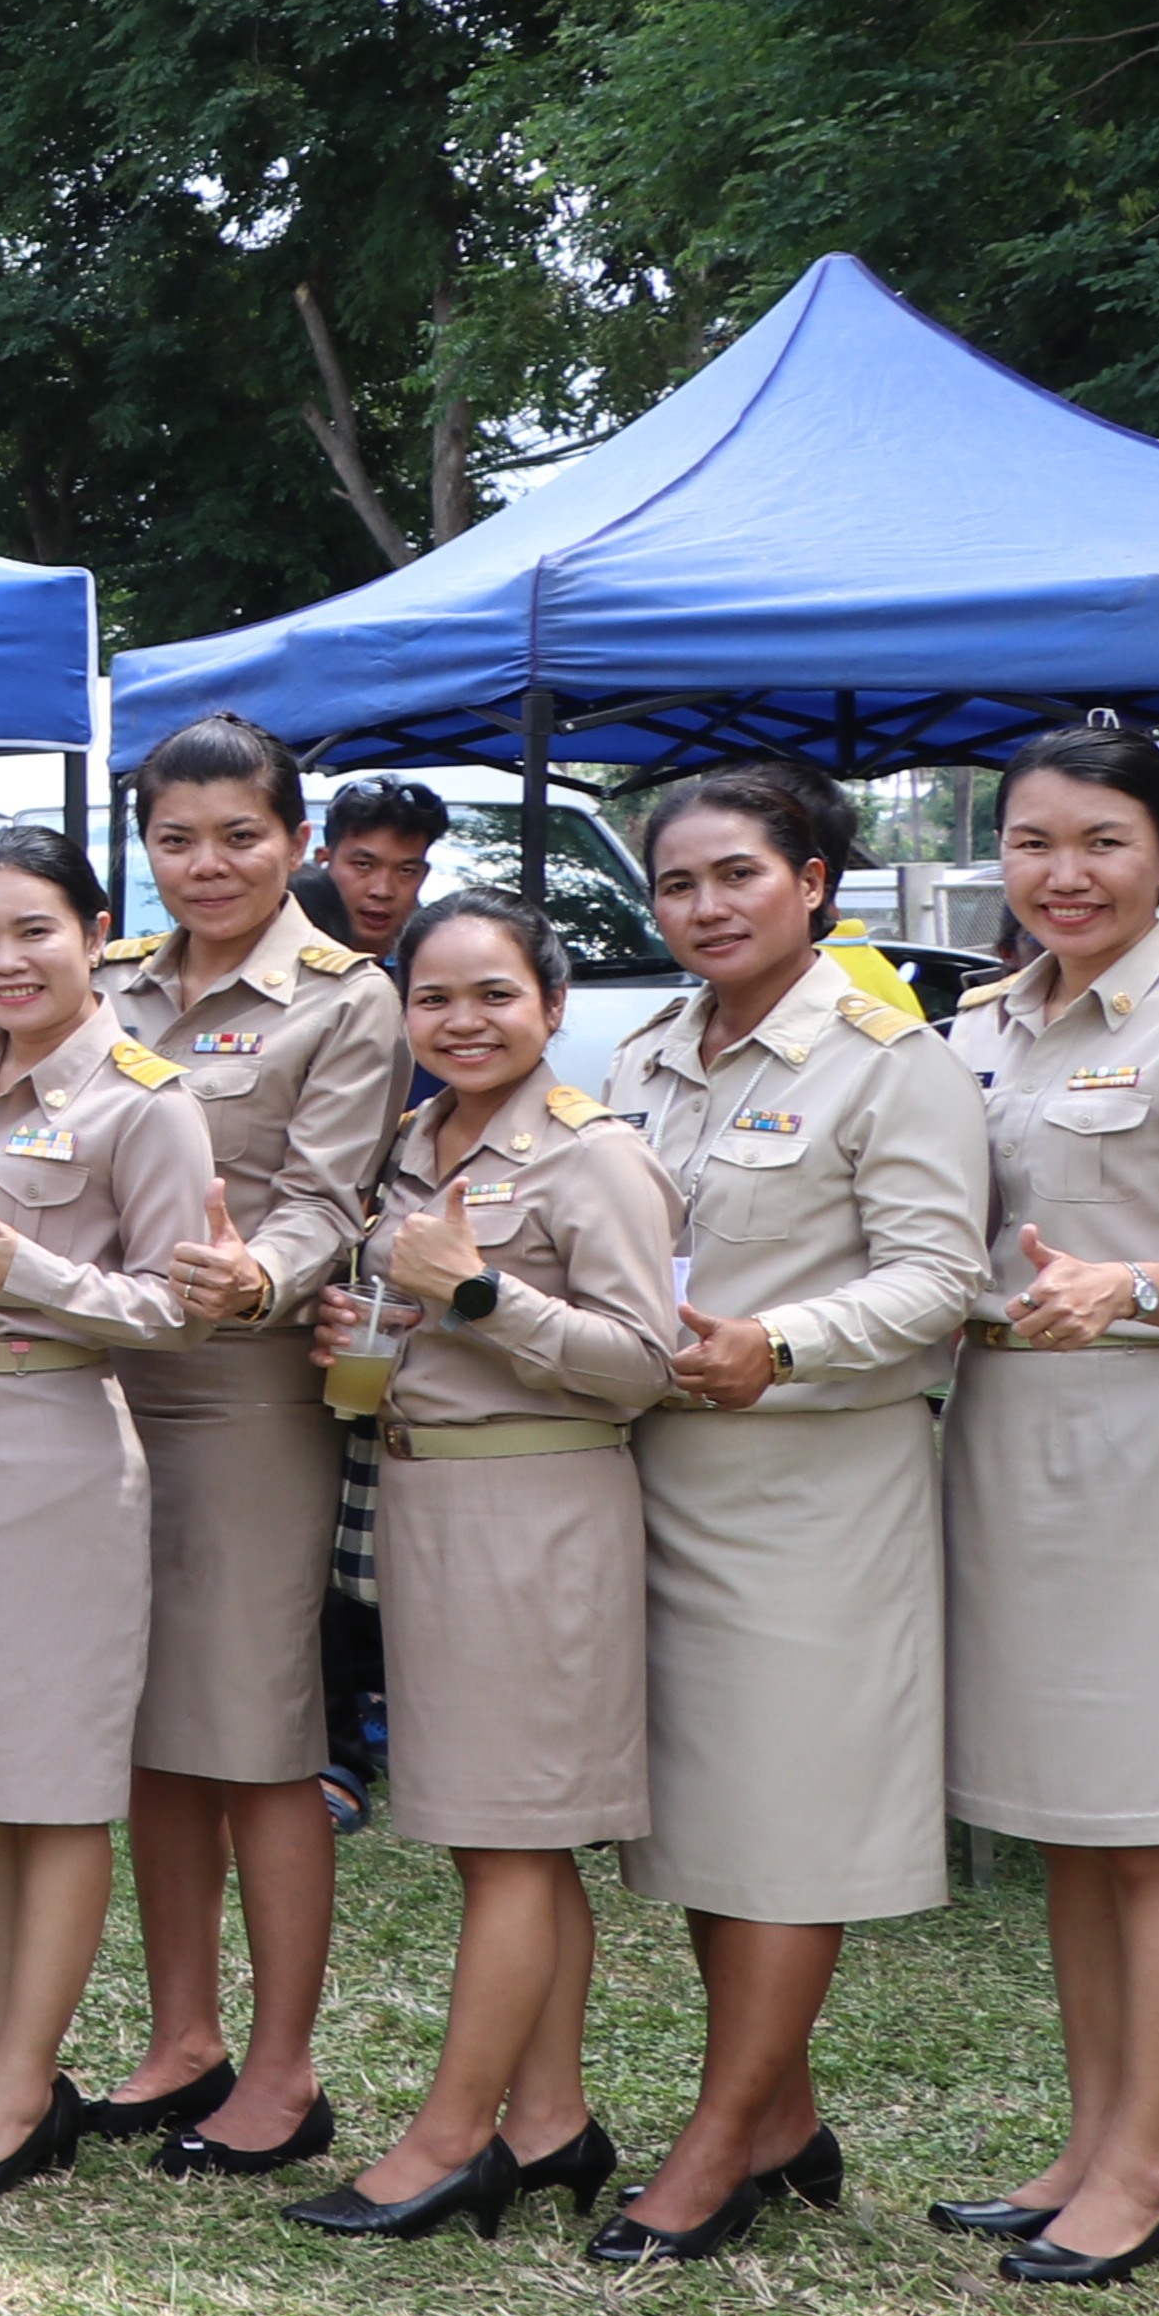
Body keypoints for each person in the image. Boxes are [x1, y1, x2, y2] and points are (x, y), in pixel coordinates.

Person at [590, 758, 984, 2265]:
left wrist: (787, 1342)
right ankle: (781, 2111)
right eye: (678, 882)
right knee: (708, 1827)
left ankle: (715, 2152)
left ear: (814, 879)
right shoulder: (645, 1057)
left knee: (785, 1826)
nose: (704, 907)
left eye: (737, 874)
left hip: (813, 1491)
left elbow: (942, 1279)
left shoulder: (893, 1060)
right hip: (663, 1476)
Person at [287, 897, 681, 2240]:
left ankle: (453, 2141)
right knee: (493, 1840)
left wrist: (474, 1293)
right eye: (435, 999)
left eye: (494, 995)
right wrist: (368, 1317)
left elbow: (646, 1363)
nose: (463, 1021)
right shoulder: (409, 1149)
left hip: (539, 1511)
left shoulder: (594, 1159)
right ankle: (553, 2118)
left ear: (554, 1008)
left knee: (511, 1842)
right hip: (424, 1499)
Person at [929, 724, 1159, 2289]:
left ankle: (1143, 2168)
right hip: (1003, 1443)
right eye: (1036, 843)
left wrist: (1130, 1283)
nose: (1066, 874)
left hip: (1148, 1449)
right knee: (1070, 1824)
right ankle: (1082, 2141)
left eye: (1105, 842)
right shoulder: (978, 1027)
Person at [0, 825, 206, 2202]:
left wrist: (37, 1278)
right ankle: (14, 2063)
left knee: (56, 1783)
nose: (4, 960)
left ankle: (19, 2089)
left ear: (97, 931)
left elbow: (185, 1310)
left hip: (53, 1442)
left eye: (34, 931)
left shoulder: (146, 1100)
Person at [99, 717, 407, 2180]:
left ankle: (283, 2073)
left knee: (262, 1737)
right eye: (176, 838)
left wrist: (258, 1279)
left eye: (239, 835)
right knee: (153, 1732)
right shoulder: (107, 989)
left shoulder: (345, 1001)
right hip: (97, 1382)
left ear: (295, 842)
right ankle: (181, 2039)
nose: (206, 864)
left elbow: (330, 1193)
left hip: (241, 1394)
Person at [307, 778, 451, 969]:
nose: (382, 890)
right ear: (323, 860)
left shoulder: (437, 966)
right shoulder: (274, 947)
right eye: (363, 865)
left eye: (406, 871)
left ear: (423, 875)